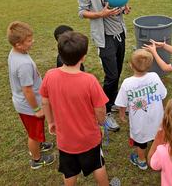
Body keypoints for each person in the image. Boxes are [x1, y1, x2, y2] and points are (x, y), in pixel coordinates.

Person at [40, 31, 120, 186]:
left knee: (68, 170)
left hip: (65, 139)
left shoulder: (50, 75)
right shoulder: (89, 80)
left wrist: (50, 122)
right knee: (98, 164)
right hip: (89, 138)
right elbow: (100, 109)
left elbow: (45, 102)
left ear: (60, 54)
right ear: (83, 56)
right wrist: (101, 123)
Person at [78, 0, 131, 132]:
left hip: (119, 33)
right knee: (112, 75)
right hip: (104, 37)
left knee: (118, 70)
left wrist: (125, 8)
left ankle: (114, 101)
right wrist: (101, 13)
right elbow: (82, 11)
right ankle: (106, 111)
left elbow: (120, 3)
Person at [7, 21, 55, 169]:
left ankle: (40, 144)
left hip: (24, 103)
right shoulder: (23, 64)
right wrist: (36, 109)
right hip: (29, 107)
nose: (32, 42)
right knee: (33, 134)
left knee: (36, 130)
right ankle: (36, 159)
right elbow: (27, 90)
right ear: (18, 44)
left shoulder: (16, 53)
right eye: (28, 41)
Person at [114, 49, 167, 170]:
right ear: (150, 65)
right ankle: (159, 158)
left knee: (141, 141)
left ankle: (142, 161)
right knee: (158, 137)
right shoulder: (154, 77)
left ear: (131, 65)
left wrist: (122, 115)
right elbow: (163, 95)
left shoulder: (127, 83)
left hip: (139, 120)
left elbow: (122, 103)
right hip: (157, 116)